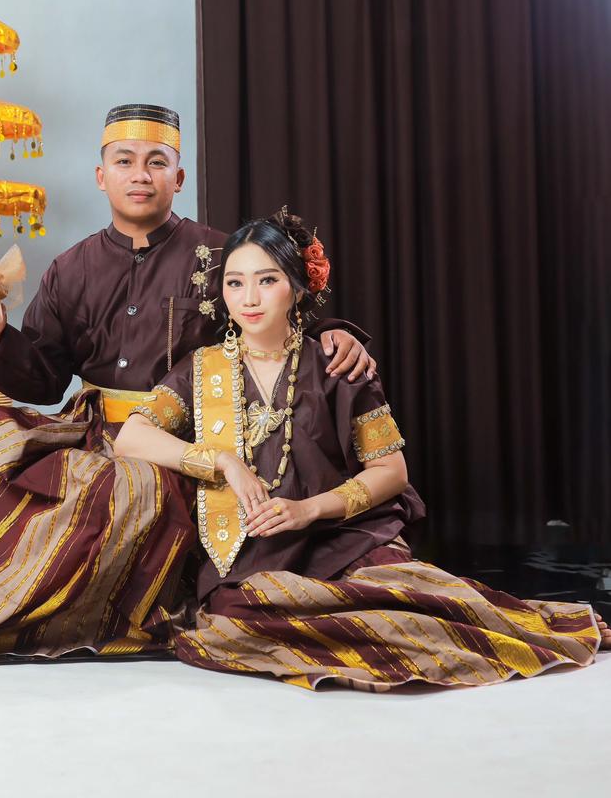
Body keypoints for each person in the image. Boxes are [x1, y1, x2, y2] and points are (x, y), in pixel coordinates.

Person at [0, 105, 370, 660]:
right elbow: (46, 380)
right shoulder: (72, 267)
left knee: (108, 488)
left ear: (178, 178)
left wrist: (336, 334)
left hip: (180, 442)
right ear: (101, 176)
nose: (140, 175)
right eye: (124, 161)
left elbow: (276, 320)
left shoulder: (221, 255)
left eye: (156, 162)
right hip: (92, 428)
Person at [114, 210, 609, 690]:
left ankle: (528, 626)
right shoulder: (201, 369)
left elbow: (391, 470)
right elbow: (132, 436)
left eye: (267, 280)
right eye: (235, 283)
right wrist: (223, 462)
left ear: (298, 287)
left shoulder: (338, 365)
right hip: (254, 549)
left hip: (343, 535)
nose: (249, 298)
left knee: (398, 597)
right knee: (237, 619)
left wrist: (310, 509)